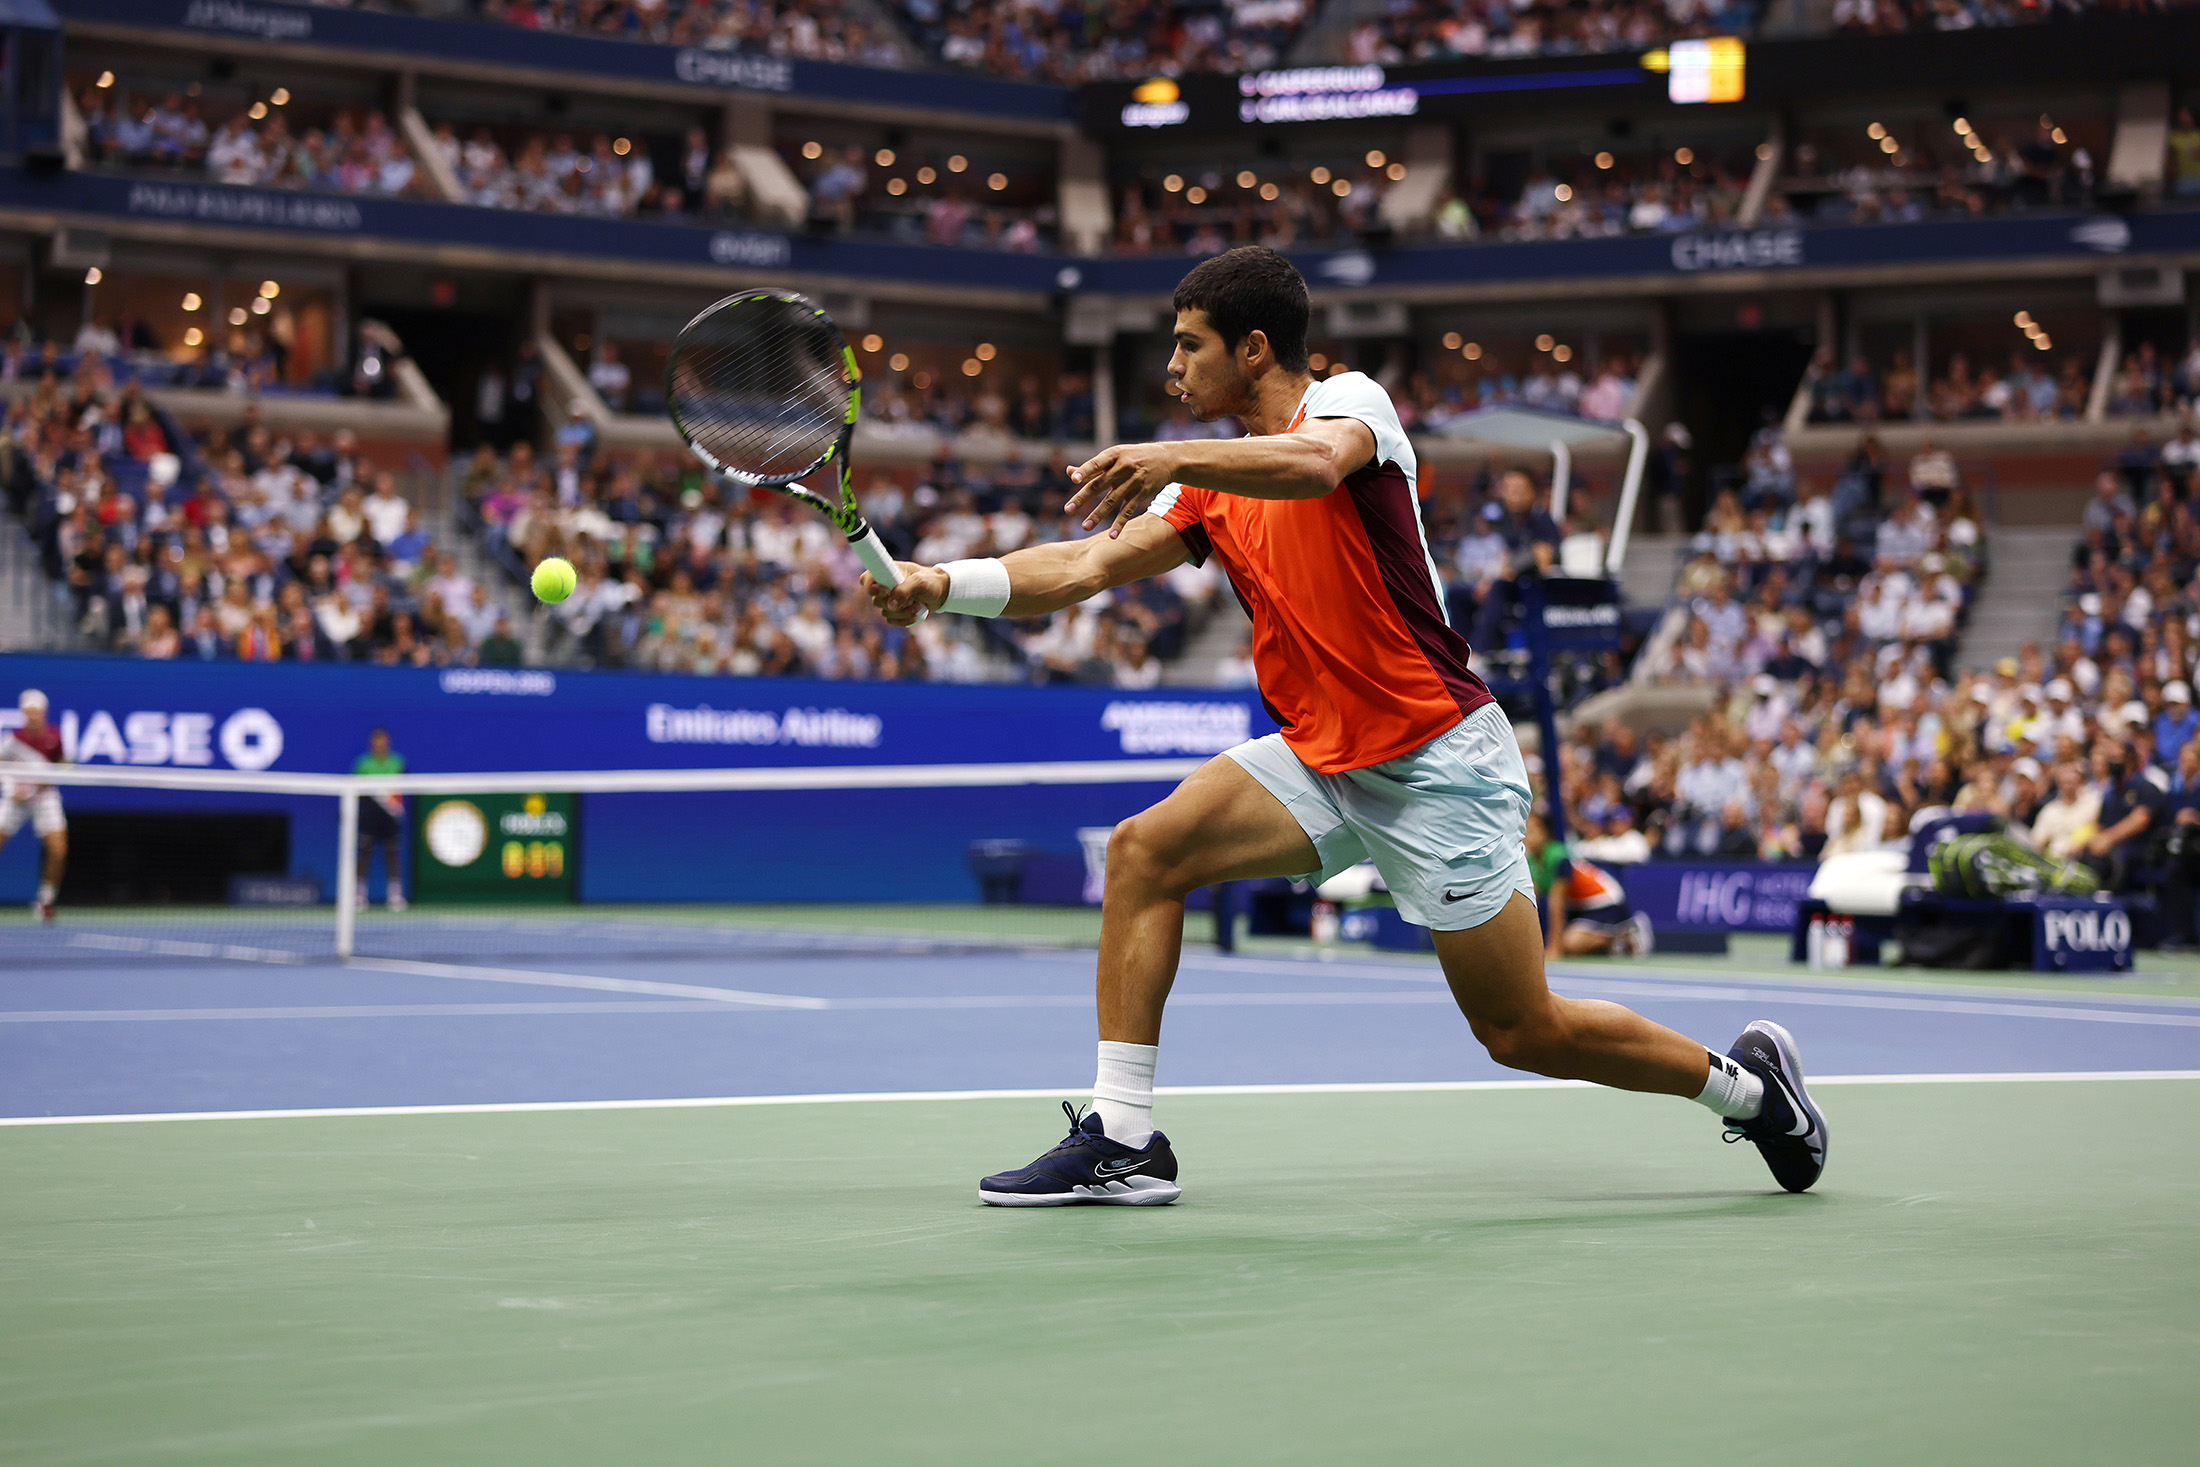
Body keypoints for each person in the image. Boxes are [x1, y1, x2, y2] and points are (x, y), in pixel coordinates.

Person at [865, 246, 1828, 1205]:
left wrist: (1169, 452)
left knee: (1523, 1030)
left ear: (1253, 350)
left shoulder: (1351, 404)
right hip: (1321, 757)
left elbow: (1313, 467)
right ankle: (1123, 1132)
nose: (1171, 369)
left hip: (1435, 760)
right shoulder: (1206, 485)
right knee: (1145, 851)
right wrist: (942, 585)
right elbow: (1084, 568)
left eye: (1189, 346)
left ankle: (1751, 1093)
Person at [1525, 810, 1653, 957]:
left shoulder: (1558, 856)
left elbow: (1557, 904)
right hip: (1579, 906)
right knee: (1571, 944)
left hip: (1605, 902)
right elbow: (1532, 902)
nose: (1528, 834)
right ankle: (1617, 944)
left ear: (1546, 833)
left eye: (1534, 829)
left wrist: (1554, 948)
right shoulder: (1531, 861)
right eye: (1526, 828)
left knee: (1570, 944)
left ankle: (1626, 932)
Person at [0, 689, 67, 922]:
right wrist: (11, 788)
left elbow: (63, 766)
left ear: (44, 713)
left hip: (45, 798)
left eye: (37, 712)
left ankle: (46, 901)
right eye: (29, 713)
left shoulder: (55, 738)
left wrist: (46, 781)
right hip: (15, 799)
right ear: (23, 714)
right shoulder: (12, 741)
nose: (33, 717)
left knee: (58, 849)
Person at [353, 727, 408, 912]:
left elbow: (400, 788)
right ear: (372, 743)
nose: (380, 744)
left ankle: (394, 896)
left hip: (390, 815)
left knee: (392, 853)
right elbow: (357, 792)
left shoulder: (397, 762)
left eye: (383, 740)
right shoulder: (363, 764)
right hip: (370, 815)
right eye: (376, 740)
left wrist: (393, 807)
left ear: (387, 742)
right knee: (365, 852)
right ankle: (359, 895)